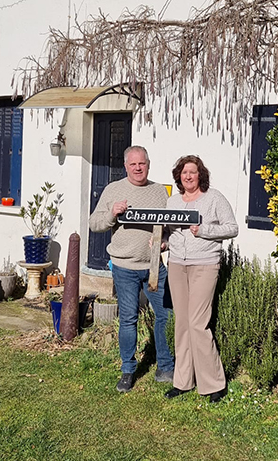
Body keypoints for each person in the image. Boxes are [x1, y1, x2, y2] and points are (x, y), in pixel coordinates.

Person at [89, 145, 175, 393]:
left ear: (148, 164)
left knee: (165, 315)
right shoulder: (113, 190)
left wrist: (165, 243)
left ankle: (165, 366)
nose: (138, 168)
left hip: (154, 267)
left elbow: (169, 228)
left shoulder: (160, 192)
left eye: (143, 163)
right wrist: (112, 214)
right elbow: (94, 223)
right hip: (124, 267)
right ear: (126, 166)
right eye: (133, 164)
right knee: (128, 319)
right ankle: (128, 371)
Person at [164, 155, 238, 403]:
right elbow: (166, 230)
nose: (188, 176)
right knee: (182, 323)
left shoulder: (214, 198)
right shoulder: (172, 201)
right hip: (176, 265)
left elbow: (232, 228)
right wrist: (163, 243)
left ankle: (214, 383)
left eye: (192, 172)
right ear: (179, 176)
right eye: (184, 173)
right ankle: (183, 381)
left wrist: (204, 231)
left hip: (205, 264)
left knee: (198, 323)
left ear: (200, 175)